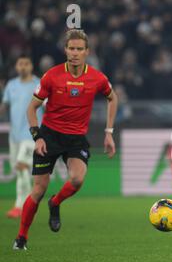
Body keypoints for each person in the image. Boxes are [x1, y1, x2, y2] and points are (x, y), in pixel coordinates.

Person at [13, 29, 118, 250]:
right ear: (65, 50)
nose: (75, 53)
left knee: (78, 179)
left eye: (79, 49)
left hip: (76, 138)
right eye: (71, 48)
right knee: (39, 189)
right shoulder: (51, 76)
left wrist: (109, 132)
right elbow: (32, 108)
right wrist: (37, 137)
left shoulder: (97, 78)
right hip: (50, 136)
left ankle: (56, 202)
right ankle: (22, 237)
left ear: (87, 52)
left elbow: (112, 98)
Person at [0, 55, 42, 219]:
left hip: (32, 134)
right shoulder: (11, 85)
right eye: (20, 64)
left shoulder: (39, 84)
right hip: (15, 135)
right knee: (20, 170)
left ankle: (20, 206)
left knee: (22, 165)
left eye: (26, 63)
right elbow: (4, 107)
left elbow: (49, 106)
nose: (23, 67)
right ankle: (31, 201)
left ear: (31, 66)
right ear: (17, 67)